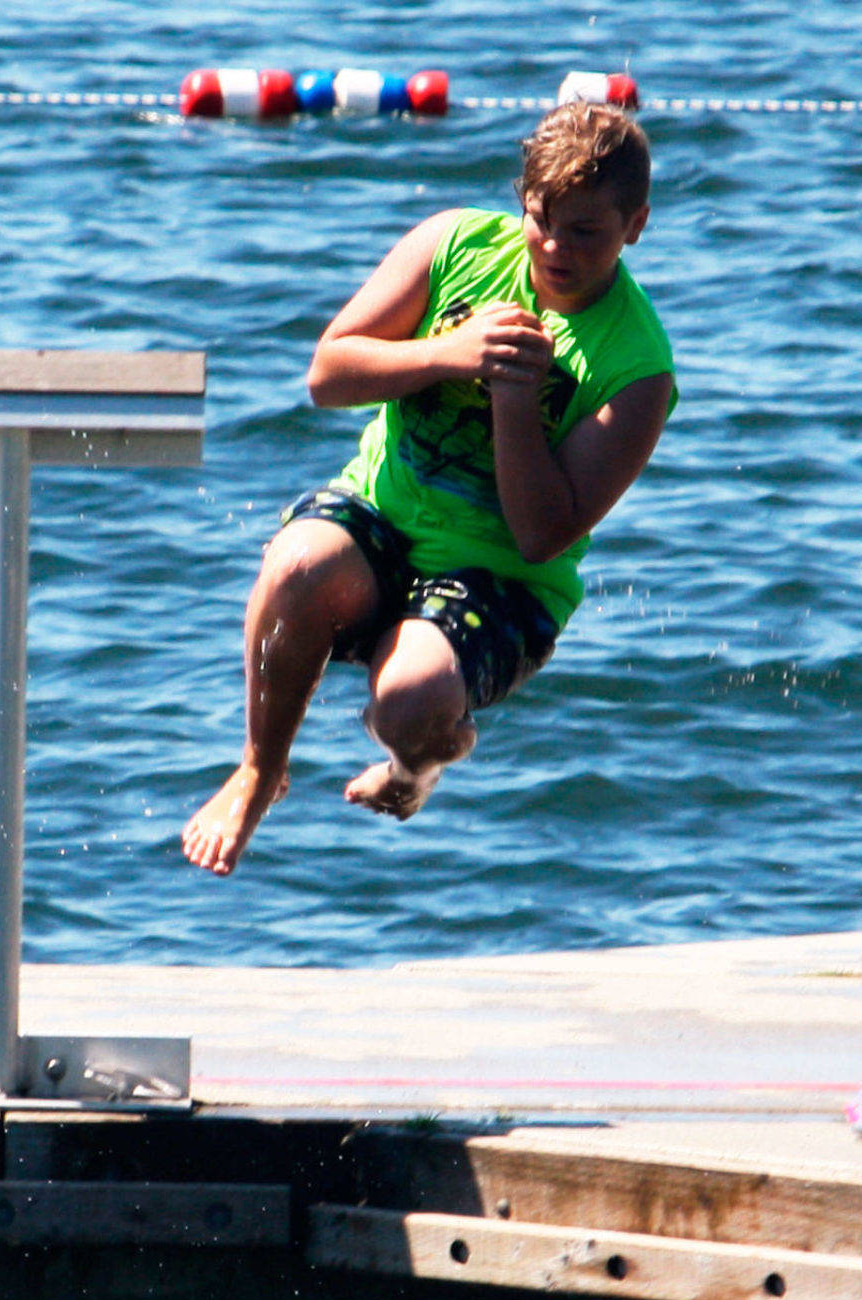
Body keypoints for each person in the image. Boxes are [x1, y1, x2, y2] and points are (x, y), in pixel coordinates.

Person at [182, 100, 676, 876]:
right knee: (295, 565)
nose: (554, 246)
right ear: (522, 201)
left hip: (502, 576)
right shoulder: (454, 244)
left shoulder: (638, 368)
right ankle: (257, 769)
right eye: (542, 219)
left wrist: (516, 404)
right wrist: (450, 354)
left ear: (635, 226)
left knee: (407, 706)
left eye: (586, 231)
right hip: (384, 515)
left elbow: (541, 536)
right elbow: (328, 373)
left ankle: (417, 768)